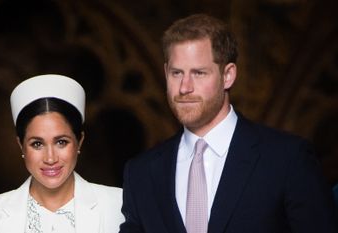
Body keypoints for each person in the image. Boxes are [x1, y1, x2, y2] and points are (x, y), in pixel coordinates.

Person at [119, 13, 337, 233]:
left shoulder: (287, 159)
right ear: (166, 73)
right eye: (177, 73)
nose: (184, 87)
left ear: (228, 75)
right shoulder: (141, 174)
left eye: (199, 73)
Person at [0, 74, 124, 233]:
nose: (50, 158)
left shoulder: (120, 205)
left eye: (61, 142)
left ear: (79, 141)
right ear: (21, 145)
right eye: (37, 144)